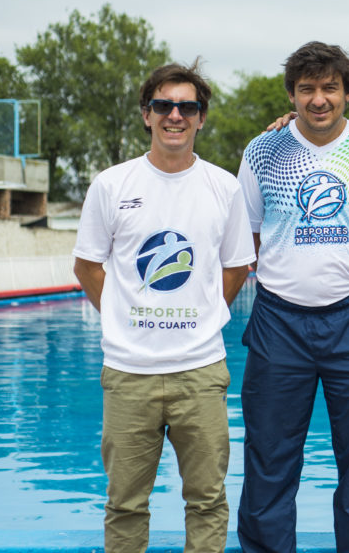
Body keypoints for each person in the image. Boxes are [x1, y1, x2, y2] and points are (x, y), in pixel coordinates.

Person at [235, 42, 349, 553]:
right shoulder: (263, 151)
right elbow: (245, 234)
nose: (318, 99)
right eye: (307, 88)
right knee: (269, 459)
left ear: (347, 94)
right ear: (292, 94)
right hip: (278, 322)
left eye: (329, 88)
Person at [72, 61, 255, 552]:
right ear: (147, 115)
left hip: (200, 369)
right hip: (129, 371)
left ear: (201, 118)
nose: (175, 115)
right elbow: (88, 265)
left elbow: (237, 266)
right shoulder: (111, 185)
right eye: (163, 105)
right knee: (125, 503)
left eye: (187, 107)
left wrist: (206, 316)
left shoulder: (224, 187)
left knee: (208, 499)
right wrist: (122, 316)